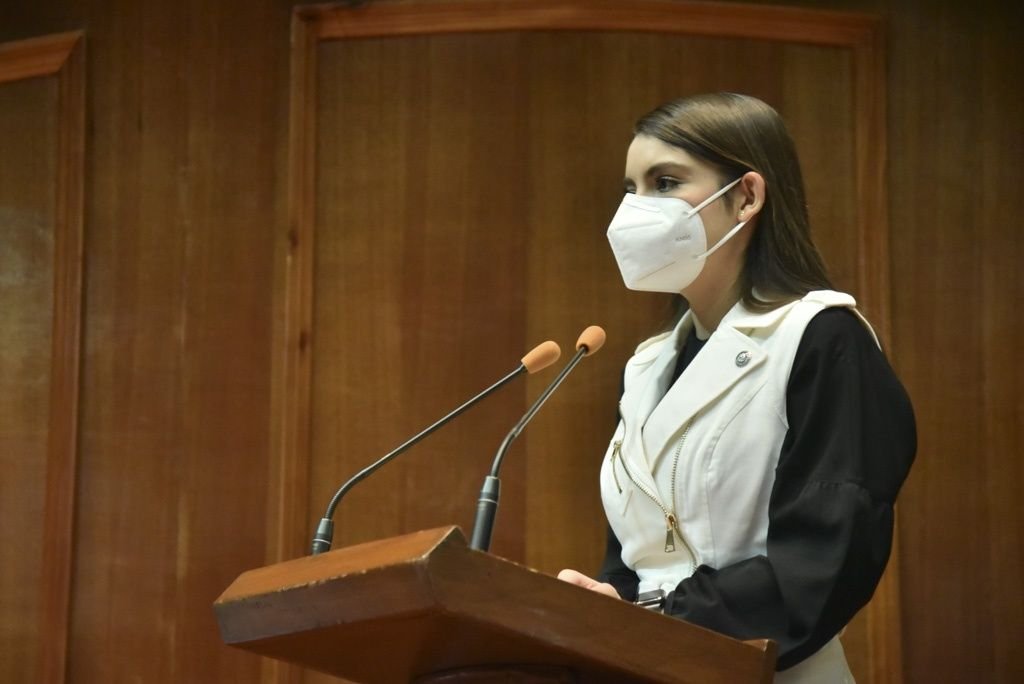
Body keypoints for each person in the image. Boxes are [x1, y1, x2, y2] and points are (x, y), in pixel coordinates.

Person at [556, 93, 916, 682]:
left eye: (665, 182)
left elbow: (823, 558)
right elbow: (636, 554)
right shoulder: (646, 366)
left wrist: (650, 621)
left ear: (746, 196)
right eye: (630, 188)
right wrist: (606, 607)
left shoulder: (822, 338)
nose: (635, 209)